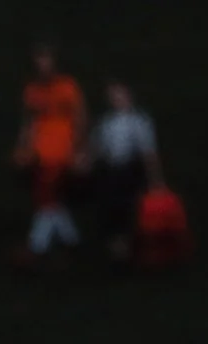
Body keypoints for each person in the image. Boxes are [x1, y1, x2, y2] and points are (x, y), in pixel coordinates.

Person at [14, 45, 88, 257]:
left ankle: (36, 245)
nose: (43, 65)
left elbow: (80, 118)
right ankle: (70, 239)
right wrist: (23, 148)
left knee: (48, 196)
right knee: (48, 197)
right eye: (39, 61)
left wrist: (80, 149)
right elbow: (28, 121)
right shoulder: (32, 90)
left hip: (62, 150)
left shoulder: (68, 86)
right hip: (39, 151)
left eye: (46, 60)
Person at [87, 82, 165, 267]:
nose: (116, 100)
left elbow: (149, 152)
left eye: (120, 95)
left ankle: (134, 253)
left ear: (129, 97)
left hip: (130, 172)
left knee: (131, 211)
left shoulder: (139, 121)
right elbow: (97, 148)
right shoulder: (106, 123)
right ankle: (117, 255)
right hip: (110, 173)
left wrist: (156, 180)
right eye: (113, 96)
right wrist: (87, 160)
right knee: (111, 213)